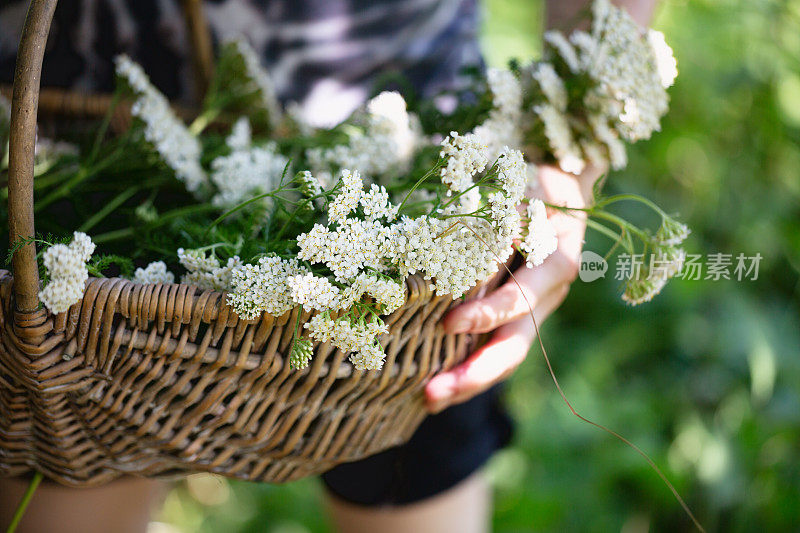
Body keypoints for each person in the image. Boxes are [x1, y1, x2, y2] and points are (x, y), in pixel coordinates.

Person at [0, 1, 657, 531]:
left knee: (416, 472)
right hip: (77, 122)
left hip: (415, 163)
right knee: (70, 476)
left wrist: (570, 155)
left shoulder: (436, 214)